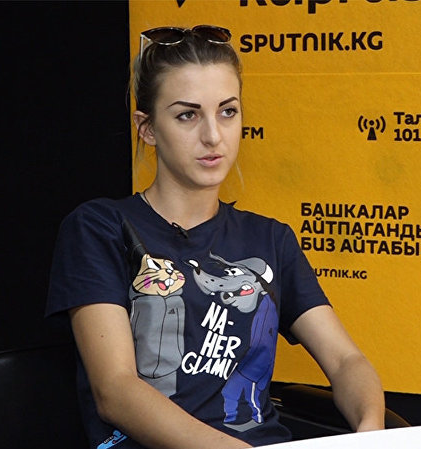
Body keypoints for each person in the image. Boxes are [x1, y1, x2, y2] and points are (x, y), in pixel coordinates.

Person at [46, 25, 385, 449]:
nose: (213, 135)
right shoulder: (100, 227)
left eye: (227, 111)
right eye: (187, 115)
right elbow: (115, 391)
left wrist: (370, 429)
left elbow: (346, 359)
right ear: (147, 128)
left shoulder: (271, 239)